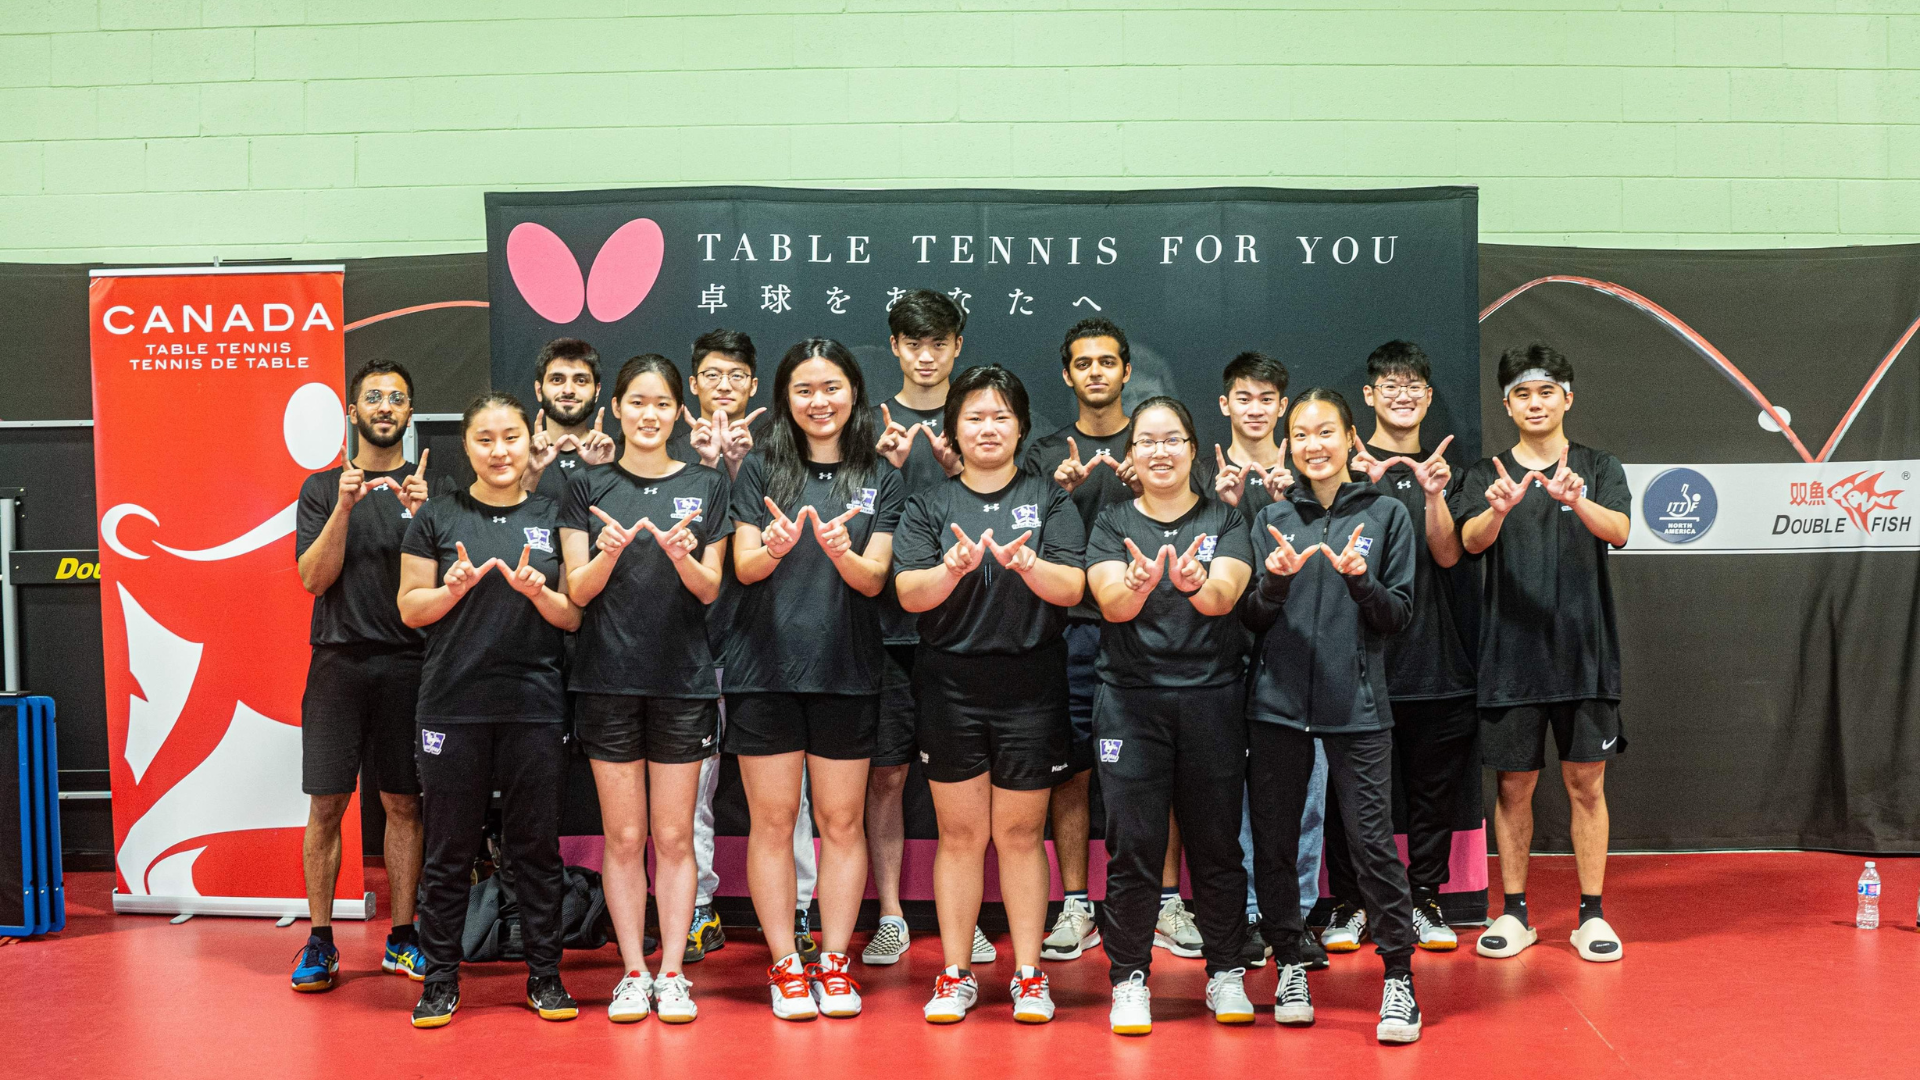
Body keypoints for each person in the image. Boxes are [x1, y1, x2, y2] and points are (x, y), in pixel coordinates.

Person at [893, 365, 1086, 1025]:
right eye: (974, 417)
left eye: (1000, 416)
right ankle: (954, 973)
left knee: (1022, 834)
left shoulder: (1050, 499)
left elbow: (1074, 589)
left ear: (1021, 428)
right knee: (960, 835)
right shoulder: (929, 505)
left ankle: (1029, 975)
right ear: (954, 430)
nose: (988, 428)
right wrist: (950, 568)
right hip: (950, 685)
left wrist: (1029, 564)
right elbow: (908, 595)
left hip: (1031, 685)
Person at [725, 338, 901, 1021]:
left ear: (853, 393)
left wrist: (838, 549)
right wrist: (771, 549)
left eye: (831, 387)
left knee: (842, 823)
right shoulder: (762, 470)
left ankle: (833, 960)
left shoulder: (880, 477)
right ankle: (784, 964)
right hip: (763, 671)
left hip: (846, 671)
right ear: (785, 399)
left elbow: (875, 577)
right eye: (804, 389)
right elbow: (742, 567)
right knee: (771, 823)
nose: (819, 401)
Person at [1243, 388, 1423, 1045]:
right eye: (1302, 433)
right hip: (1277, 707)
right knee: (1275, 840)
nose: (1315, 444)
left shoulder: (1387, 513)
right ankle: (1291, 961)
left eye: (1328, 431)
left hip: (1359, 706)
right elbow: (1250, 618)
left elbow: (1398, 615)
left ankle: (1399, 977)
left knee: (1373, 844)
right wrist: (1275, 584)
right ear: (1288, 445)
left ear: (1352, 439)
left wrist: (1359, 580)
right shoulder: (1270, 516)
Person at [397, 392, 582, 1029]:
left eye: (510, 438)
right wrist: (448, 591)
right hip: (452, 706)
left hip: (534, 705)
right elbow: (409, 609)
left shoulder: (554, 512)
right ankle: (440, 981)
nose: (499, 451)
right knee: (448, 850)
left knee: (535, 849)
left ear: (531, 440)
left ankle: (545, 976)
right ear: (467, 446)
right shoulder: (437, 517)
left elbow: (574, 613)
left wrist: (541, 593)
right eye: (485, 439)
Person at [559, 355, 733, 1024]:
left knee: (675, 835)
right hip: (606, 681)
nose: (649, 414)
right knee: (624, 836)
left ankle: (672, 973)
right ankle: (632, 971)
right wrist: (606, 551)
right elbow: (576, 591)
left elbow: (713, 587)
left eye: (661, 403)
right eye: (637, 402)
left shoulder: (706, 485)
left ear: (676, 412)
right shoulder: (587, 486)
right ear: (618, 409)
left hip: (683, 684)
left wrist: (685, 555)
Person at [1450, 343, 1630, 964]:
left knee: (1586, 786)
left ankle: (1592, 915)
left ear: (1567, 398)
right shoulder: (1485, 474)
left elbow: (1622, 532)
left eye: (1546, 391)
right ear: (1507, 403)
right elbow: (1469, 544)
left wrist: (1577, 500)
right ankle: (1515, 913)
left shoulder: (1598, 467)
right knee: (1513, 789)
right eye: (1522, 394)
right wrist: (1498, 512)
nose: (1535, 402)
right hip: (1509, 656)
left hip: (1585, 655)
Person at [1083, 396, 1258, 1035]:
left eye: (1172, 440)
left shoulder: (1228, 519)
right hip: (1130, 705)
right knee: (1132, 847)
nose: (1160, 451)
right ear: (1133, 455)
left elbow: (1222, 598)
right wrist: (1134, 583)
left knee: (1215, 844)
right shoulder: (1110, 522)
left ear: (1192, 448)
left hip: (1212, 701)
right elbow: (1111, 606)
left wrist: (1190, 584)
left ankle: (1226, 972)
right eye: (1147, 442)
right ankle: (1129, 977)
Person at [1320, 341, 1478, 955]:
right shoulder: (1341, 468)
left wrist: (1434, 493)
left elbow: (1447, 555)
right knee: (1350, 793)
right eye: (1389, 383)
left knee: (1432, 792)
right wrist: (1358, 487)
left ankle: (1428, 897)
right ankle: (1351, 901)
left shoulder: (1450, 471)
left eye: (1413, 383)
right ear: (1369, 395)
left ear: (1429, 396)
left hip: (1437, 664)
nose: (1402, 392)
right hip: (1359, 664)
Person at [669, 329, 817, 967]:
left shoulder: (782, 456)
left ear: (755, 386)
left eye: (736, 375)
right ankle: (700, 908)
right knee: (695, 784)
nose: (723, 385)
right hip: (689, 645)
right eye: (711, 374)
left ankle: (801, 909)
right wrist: (708, 466)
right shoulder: (667, 456)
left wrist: (735, 467)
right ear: (693, 385)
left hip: (768, 643)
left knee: (795, 792)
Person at [291, 359, 433, 992]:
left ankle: (404, 938)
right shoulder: (322, 489)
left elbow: (445, 590)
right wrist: (346, 507)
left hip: (409, 664)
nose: (384, 406)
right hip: (338, 664)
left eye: (396, 398)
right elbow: (313, 579)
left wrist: (426, 521)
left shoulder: (429, 490)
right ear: (353, 413)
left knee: (403, 803)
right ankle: (320, 942)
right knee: (327, 806)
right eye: (373, 397)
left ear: (409, 414)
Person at [863, 290, 990, 968]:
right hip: (881, 630)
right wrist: (880, 468)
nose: (925, 353)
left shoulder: (978, 419)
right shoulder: (867, 426)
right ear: (895, 347)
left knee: (960, 782)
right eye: (913, 342)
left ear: (957, 347)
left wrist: (955, 471)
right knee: (885, 778)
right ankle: (889, 915)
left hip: (960, 631)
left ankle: (962, 919)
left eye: (938, 341)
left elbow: (1006, 506)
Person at [1189, 351, 1321, 969]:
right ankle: (1240, 917)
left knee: (1302, 798)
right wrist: (1226, 508)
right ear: (1225, 405)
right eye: (1244, 397)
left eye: (1267, 399)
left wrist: (1289, 503)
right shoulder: (1201, 478)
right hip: (1218, 659)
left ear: (1282, 407)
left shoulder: (1309, 473)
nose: (1255, 409)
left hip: (1294, 657)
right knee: (1227, 800)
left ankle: (1293, 917)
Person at [1020, 317, 1141, 962]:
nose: (1096, 372)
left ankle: (1165, 899)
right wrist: (1055, 496)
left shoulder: (1152, 440)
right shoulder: (1041, 454)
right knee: (1068, 771)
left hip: (1141, 628)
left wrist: (1143, 483)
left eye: (1107, 361)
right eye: (1083, 363)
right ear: (1068, 375)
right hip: (1064, 634)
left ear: (1125, 371)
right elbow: (1019, 541)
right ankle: (1074, 905)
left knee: (1152, 769)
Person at [526, 337, 618, 495]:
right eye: (557, 379)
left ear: (597, 391)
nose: (568, 390)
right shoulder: (515, 456)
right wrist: (530, 475)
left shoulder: (616, 455)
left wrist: (603, 471)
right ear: (539, 390)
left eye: (581, 380)